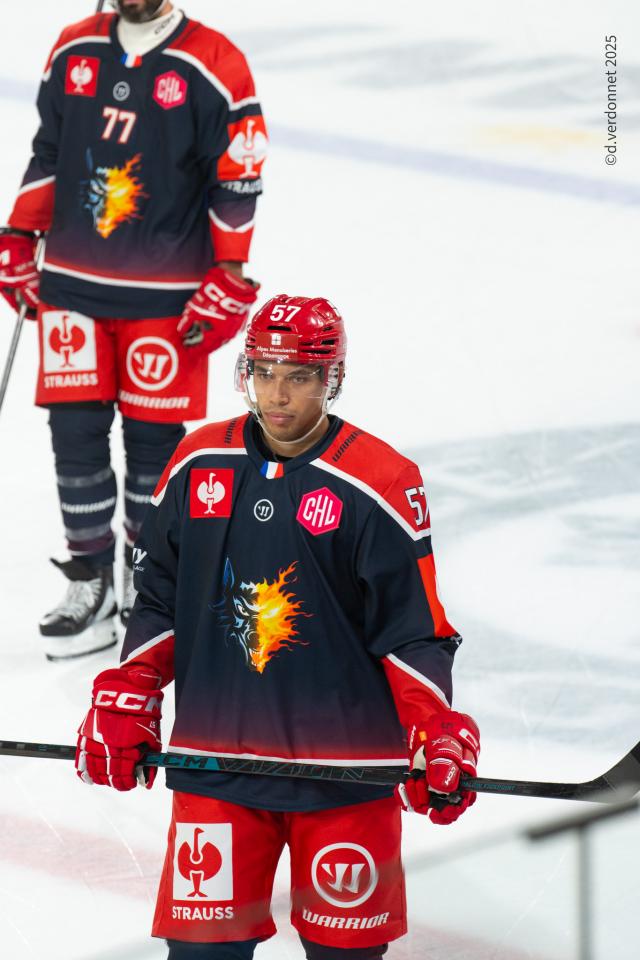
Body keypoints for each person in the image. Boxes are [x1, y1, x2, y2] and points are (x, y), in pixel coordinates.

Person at [74, 295, 481, 960]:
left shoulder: (380, 480)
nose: (277, 394)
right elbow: (160, 599)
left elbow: (413, 630)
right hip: (216, 767)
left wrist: (433, 726)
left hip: (346, 778)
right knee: (201, 956)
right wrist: (132, 687)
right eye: (264, 373)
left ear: (331, 379)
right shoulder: (197, 461)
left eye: (298, 377)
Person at [0, 0, 266, 659]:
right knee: (74, 436)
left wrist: (230, 272)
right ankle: (90, 579)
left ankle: (148, 584)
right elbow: (50, 150)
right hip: (70, 282)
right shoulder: (75, 48)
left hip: (167, 294)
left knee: (154, 446)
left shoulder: (214, 60)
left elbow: (238, 176)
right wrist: (17, 235)